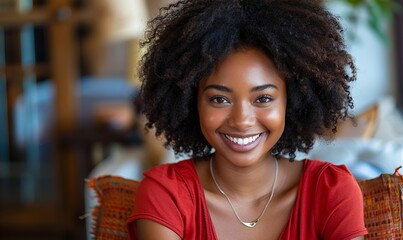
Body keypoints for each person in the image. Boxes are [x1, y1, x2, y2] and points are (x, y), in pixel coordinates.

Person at [127, 0, 368, 239]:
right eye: (219, 99)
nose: (242, 121)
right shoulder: (166, 194)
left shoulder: (332, 191)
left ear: (291, 101)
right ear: (192, 103)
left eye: (263, 99)